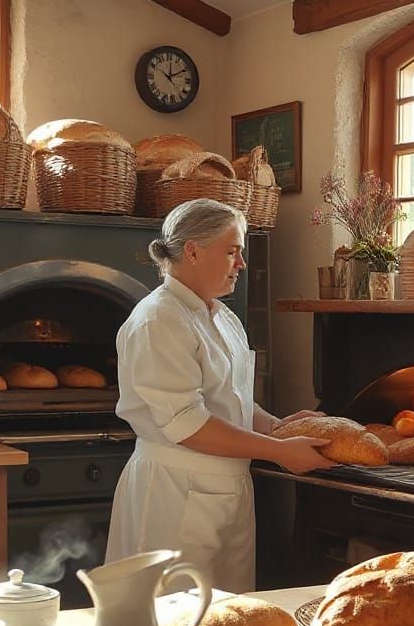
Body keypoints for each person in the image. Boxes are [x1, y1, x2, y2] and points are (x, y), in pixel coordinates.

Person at [105, 198, 335, 589]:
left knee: (228, 622)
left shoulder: (222, 316)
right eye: (232, 252)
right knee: (171, 623)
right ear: (192, 251)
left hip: (230, 489)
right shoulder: (158, 320)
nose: (241, 264)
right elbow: (188, 424)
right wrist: (279, 451)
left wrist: (275, 426)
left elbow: (231, 396)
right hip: (174, 491)